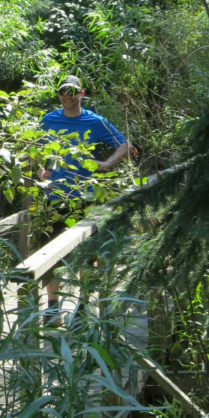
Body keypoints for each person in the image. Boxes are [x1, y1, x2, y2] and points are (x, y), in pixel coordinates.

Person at [34, 74, 132, 311]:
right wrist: (38, 169)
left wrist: (107, 164)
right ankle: (52, 308)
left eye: (72, 92)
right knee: (50, 253)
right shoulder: (48, 120)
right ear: (58, 94)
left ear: (81, 94)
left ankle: (82, 306)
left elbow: (126, 144)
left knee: (87, 254)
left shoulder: (94, 121)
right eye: (63, 92)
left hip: (86, 196)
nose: (67, 97)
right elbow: (33, 149)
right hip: (54, 196)